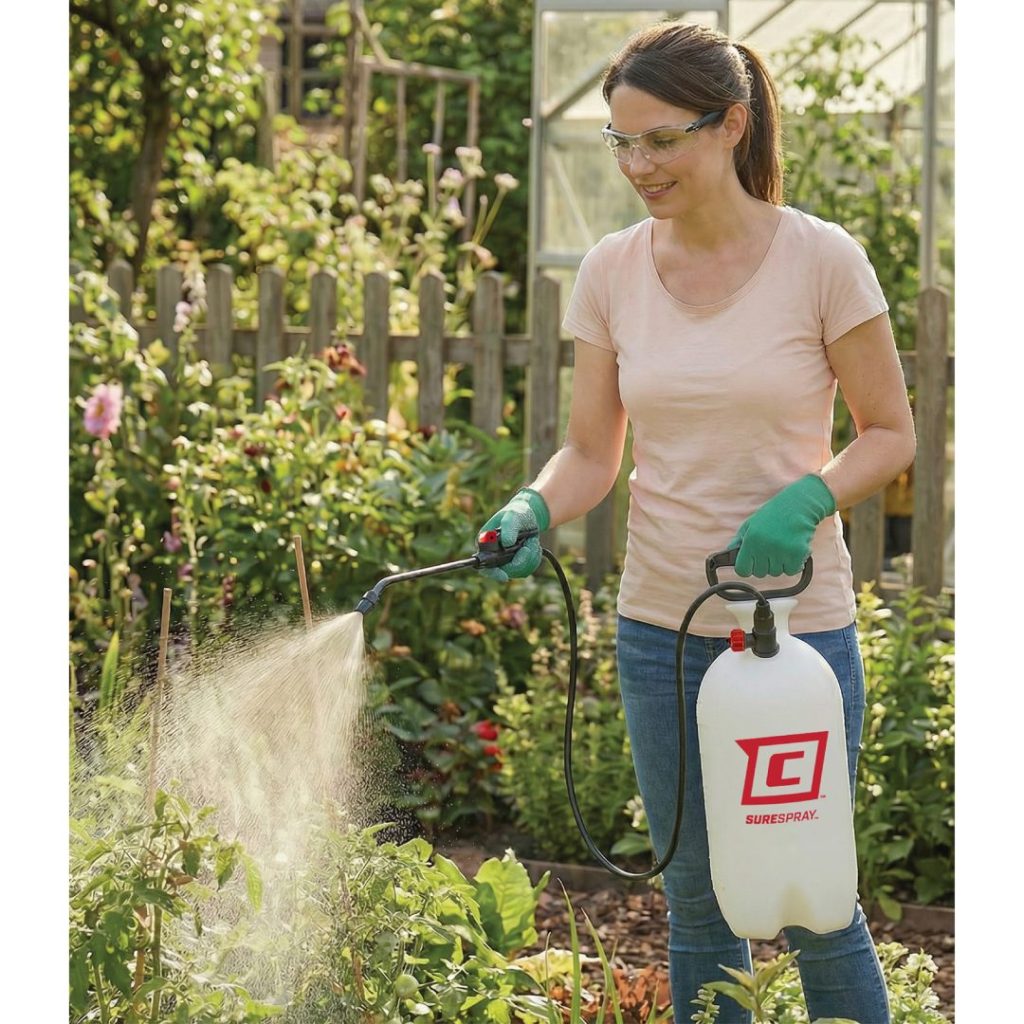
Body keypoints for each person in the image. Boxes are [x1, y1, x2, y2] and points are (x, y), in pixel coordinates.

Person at [478, 19, 916, 1024]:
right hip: (659, 629)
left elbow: (889, 431)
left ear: (729, 124)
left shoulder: (821, 259)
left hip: (795, 635)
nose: (638, 166)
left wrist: (808, 497)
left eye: (661, 140)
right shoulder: (612, 272)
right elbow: (593, 452)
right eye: (620, 143)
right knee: (697, 903)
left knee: (812, 898)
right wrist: (535, 502)